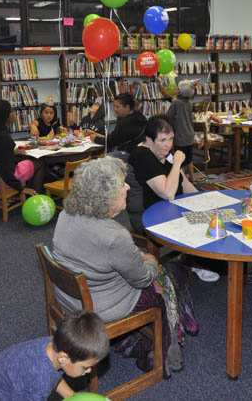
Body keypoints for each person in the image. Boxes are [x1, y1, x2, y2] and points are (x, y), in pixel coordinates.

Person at [52, 156, 198, 377]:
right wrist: (150, 261)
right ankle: (164, 352)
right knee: (167, 279)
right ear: (106, 197)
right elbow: (142, 280)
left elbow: (98, 254)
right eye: (122, 184)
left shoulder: (66, 215)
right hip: (99, 308)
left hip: (68, 298)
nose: (128, 186)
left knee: (164, 271)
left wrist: (134, 255)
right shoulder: (115, 236)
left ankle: (142, 336)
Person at [129, 116, 219, 283]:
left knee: (208, 213)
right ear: (149, 140)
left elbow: (184, 184)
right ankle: (193, 261)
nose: (168, 145)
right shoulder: (142, 155)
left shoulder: (164, 153)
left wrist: (206, 202)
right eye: (162, 140)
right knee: (194, 220)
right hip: (149, 213)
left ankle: (196, 258)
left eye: (171, 139)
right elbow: (168, 193)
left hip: (169, 205)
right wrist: (177, 162)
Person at [0, 311, 109, 401]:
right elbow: (45, 379)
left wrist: (72, 396)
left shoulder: (55, 346)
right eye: (85, 367)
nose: (89, 370)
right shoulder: (39, 381)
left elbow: (53, 375)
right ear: (64, 359)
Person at [166, 80, 196, 181]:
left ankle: (182, 181)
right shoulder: (189, 103)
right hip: (189, 135)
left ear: (180, 91)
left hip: (180, 136)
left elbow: (168, 117)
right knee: (189, 159)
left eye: (177, 88)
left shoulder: (176, 103)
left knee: (180, 160)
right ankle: (192, 178)